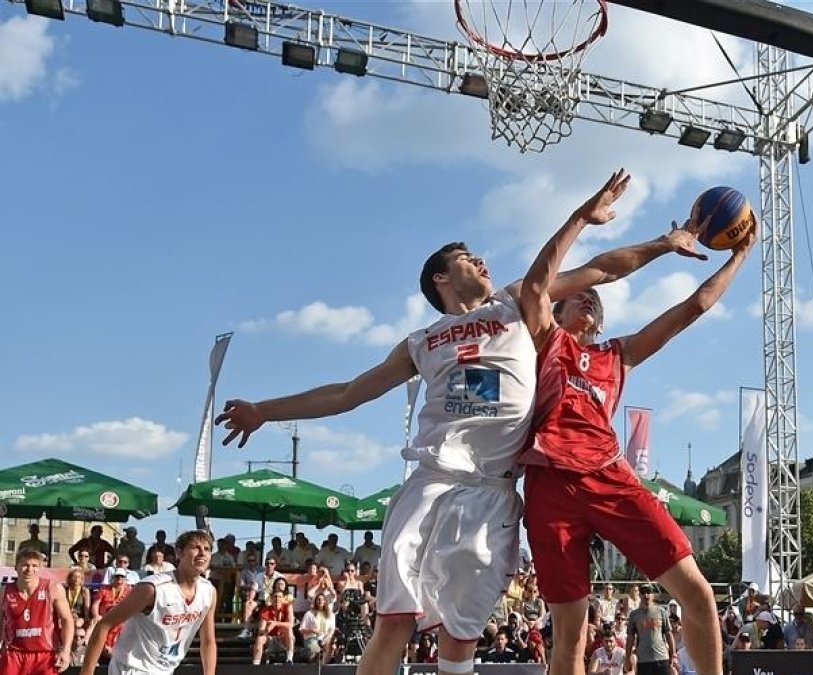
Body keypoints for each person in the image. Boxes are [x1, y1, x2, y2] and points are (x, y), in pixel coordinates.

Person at [214, 169, 703, 675]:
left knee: (460, 638)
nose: (481, 259)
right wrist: (264, 410)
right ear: (440, 279)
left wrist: (665, 243)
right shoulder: (422, 341)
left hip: (492, 493)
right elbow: (346, 393)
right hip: (432, 482)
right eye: (466, 257)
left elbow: (602, 269)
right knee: (395, 624)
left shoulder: (515, 302)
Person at [518, 175, 746, 675]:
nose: (591, 301)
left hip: (610, 476)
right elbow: (536, 285)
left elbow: (696, 306)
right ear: (558, 312)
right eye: (580, 298)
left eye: (595, 303)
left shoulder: (617, 356)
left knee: (699, 593)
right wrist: (582, 215)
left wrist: (738, 256)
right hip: (550, 484)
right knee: (570, 641)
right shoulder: (546, 343)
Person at [79, 530, 217, 675]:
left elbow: (208, 641)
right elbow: (103, 625)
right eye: (195, 547)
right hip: (132, 668)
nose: (202, 553)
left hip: (165, 670)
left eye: (207, 549)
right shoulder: (152, 588)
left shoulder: (209, 592)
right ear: (179, 553)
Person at [0, 549, 75, 674]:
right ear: (16, 567)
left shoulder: (52, 588)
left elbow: (67, 620)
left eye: (34, 565)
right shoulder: (4, 592)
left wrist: (66, 650)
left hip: (45, 655)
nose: (29, 569)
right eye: (25, 565)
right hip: (14, 654)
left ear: (40, 568)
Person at [625, 584, 676, 675]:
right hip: (643, 660)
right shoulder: (634, 615)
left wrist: (673, 654)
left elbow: (668, 633)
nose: (646, 595)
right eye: (643, 593)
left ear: (653, 595)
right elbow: (630, 638)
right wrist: (627, 658)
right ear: (639, 595)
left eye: (648, 592)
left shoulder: (661, 611)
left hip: (661, 657)